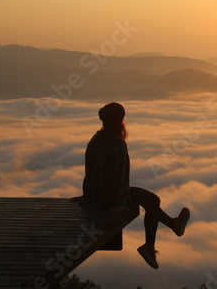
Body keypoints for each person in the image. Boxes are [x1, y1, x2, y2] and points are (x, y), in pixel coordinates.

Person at [73, 102, 190, 269]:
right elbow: (119, 176)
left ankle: (173, 226)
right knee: (152, 200)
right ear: (120, 121)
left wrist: (88, 196)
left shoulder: (95, 139)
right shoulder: (117, 143)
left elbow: (90, 172)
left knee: (148, 199)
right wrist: (119, 202)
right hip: (109, 196)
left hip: (94, 194)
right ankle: (152, 243)